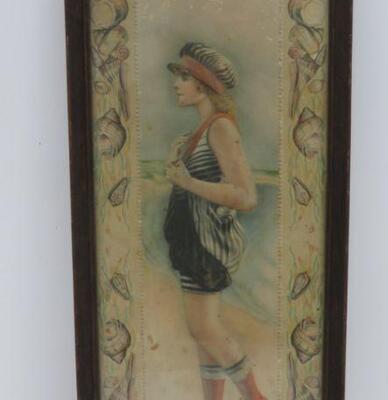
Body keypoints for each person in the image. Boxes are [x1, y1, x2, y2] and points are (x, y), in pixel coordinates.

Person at [163, 42, 267, 400]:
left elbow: (246, 196)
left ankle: (255, 397)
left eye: (183, 77)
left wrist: (186, 181)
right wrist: (178, 165)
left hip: (206, 245)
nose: (175, 84)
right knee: (201, 334)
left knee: (205, 329)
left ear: (203, 85)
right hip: (192, 242)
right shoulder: (200, 131)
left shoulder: (220, 128)